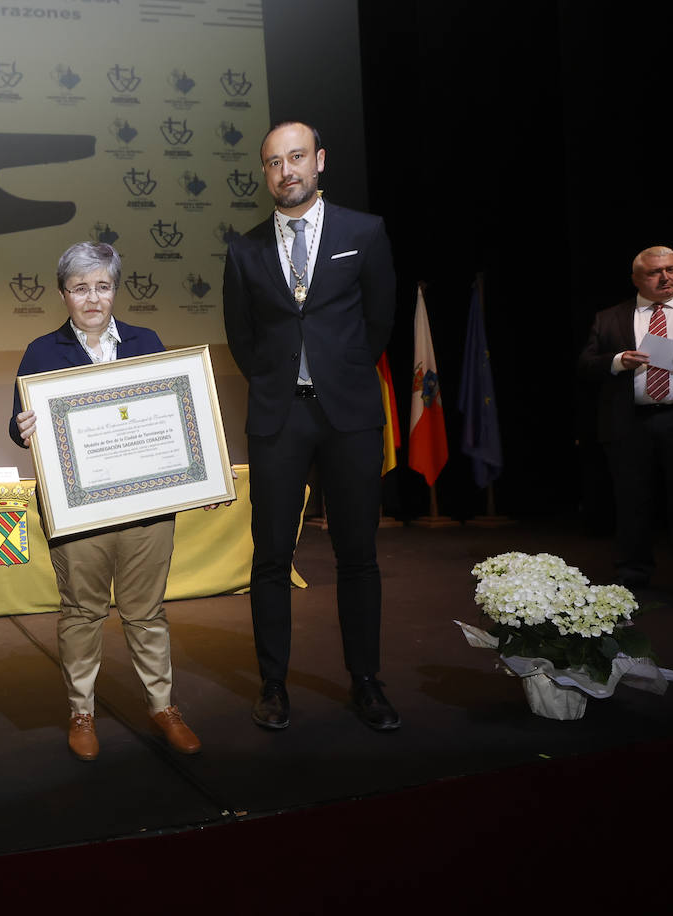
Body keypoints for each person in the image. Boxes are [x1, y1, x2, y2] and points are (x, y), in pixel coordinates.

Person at [221, 121, 399, 731]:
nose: (285, 170)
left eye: (296, 157)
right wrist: (278, 383)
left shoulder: (364, 232)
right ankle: (273, 685)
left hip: (349, 413)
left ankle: (367, 682)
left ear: (319, 160)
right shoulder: (244, 249)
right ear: (265, 172)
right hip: (279, 415)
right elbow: (241, 338)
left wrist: (338, 373)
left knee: (357, 553)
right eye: (273, 162)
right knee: (270, 556)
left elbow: (379, 321)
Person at [10, 241, 203, 760]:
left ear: (114, 289)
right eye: (79, 288)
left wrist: (200, 472)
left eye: (101, 286)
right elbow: (18, 422)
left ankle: (163, 707)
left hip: (147, 507)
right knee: (81, 612)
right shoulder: (40, 352)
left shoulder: (148, 341)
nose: (91, 298)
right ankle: (81, 712)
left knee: (146, 611)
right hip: (78, 510)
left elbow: (174, 421)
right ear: (63, 294)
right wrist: (23, 426)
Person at [577, 246, 673, 588]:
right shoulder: (609, 317)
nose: (665, 277)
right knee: (632, 502)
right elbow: (586, 365)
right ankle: (633, 575)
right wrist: (619, 360)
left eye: (671, 269)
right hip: (629, 424)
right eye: (655, 272)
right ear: (637, 278)